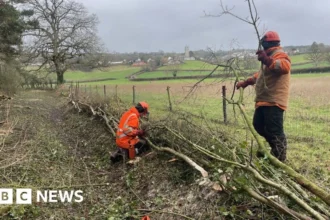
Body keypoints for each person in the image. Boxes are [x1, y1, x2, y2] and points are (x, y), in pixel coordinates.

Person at [236, 31, 291, 162]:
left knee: (275, 131)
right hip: (264, 101)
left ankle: (280, 157)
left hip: (274, 101)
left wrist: (266, 59)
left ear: (267, 44)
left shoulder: (279, 55)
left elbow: (284, 67)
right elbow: (260, 75)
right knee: (258, 125)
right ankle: (275, 148)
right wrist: (246, 82)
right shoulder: (270, 58)